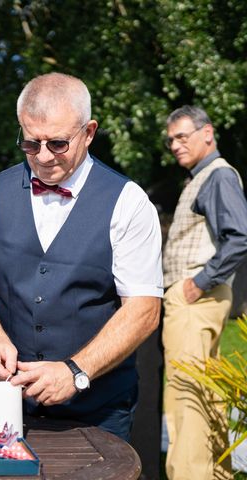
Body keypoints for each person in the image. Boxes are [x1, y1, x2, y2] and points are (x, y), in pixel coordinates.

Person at [0, 72, 163, 440]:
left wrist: (76, 371)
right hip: (12, 405)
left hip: (100, 411)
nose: (43, 157)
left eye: (58, 143)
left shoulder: (129, 202)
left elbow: (143, 310)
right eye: (31, 143)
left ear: (89, 132)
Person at [162, 106, 247, 480]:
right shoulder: (204, 177)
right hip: (201, 299)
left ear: (207, 132)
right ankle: (216, 474)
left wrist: (198, 283)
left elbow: (239, 236)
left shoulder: (217, 175)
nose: (175, 145)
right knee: (206, 395)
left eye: (182, 136)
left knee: (185, 397)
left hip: (195, 298)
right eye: (171, 140)